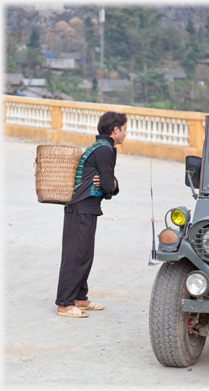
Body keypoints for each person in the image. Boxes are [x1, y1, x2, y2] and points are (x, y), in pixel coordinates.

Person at [56, 111, 127, 318]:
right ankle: (65, 304)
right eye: (124, 130)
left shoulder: (102, 147)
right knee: (76, 255)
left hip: (84, 208)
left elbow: (107, 183)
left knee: (84, 254)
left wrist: (110, 184)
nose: (125, 134)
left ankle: (80, 298)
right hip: (80, 208)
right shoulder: (104, 150)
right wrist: (112, 185)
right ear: (115, 130)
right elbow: (107, 183)